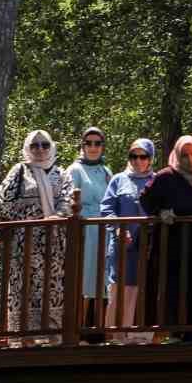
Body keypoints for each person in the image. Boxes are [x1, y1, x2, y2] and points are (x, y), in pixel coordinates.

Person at [0, 130, 74, 341]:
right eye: (34, 145)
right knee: (22, 291)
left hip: (54, 246)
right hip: (23, 245)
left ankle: (52, 339)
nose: (40, 149)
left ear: (51, 147)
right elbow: (0, 200)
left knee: (53, 289)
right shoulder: (20, 171)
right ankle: (23, 340)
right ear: (27, 148)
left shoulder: (61, 173)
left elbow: (69, 200)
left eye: (44, 145)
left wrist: (57, 216)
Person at [139, 136, 192, 339]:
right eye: (185, 155)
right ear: (177, 156)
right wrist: (161, 211)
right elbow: (145, 199)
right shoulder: (166, 176)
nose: (190, 159)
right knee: (174, 288)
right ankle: (175, 332)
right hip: (173, 245)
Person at [101, 139, 158, 337]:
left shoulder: (157, 180)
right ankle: (116, 336)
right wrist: (118, 227)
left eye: (143, 156)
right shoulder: (118, 179)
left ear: (150, 159)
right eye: (133, 156)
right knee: (119, 288)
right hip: (122, 244)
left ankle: (140, 336)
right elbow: (107, 208)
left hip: (148, 245)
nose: (138, 161)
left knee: (145, 288)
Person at [66, 127, 112, 343]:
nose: (93, 147)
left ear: (103, 146)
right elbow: (67, 203)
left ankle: (99, 330)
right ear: (82, 145)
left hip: (104, 231)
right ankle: (80, 328)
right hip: (85, 231)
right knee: (84, 278)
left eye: (97, 143)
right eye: (88, 143)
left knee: (103, 278)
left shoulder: (106, 171)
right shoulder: (75, 170)